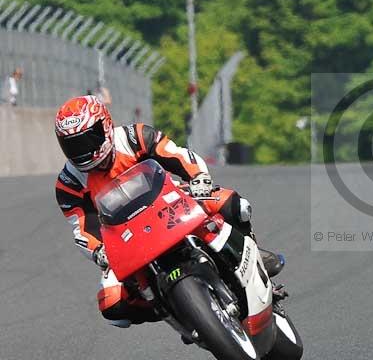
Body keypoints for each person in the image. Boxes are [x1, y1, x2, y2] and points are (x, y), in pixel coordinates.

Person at [54, 95, 284, 328]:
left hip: (171, 203)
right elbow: (83, 227)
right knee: (113, 304)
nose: (82, 151)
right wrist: (98, 251)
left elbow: (177, 155)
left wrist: (198, 177)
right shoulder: (69, 183)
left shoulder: (135, 137)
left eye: (87, 140)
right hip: (127, 235)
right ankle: (171, 307)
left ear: (105, 126)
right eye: (72, 145)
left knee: (232, 203)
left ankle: (254, 255)